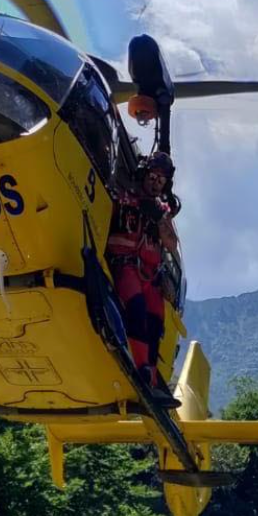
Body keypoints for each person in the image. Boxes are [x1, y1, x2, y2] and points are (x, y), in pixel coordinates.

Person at [106, 152, 180, 408]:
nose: (156, 182)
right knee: (136, 311)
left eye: (161, 180)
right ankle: (142, 371)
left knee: (155, 324)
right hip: (125, 265)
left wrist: (159, 219)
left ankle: (149, 371)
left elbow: (171, 244)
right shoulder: (124, 195)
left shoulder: (162, 211)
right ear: (144, 173)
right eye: (153, 176)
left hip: (151, 276)